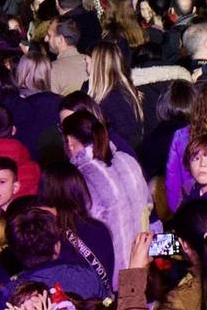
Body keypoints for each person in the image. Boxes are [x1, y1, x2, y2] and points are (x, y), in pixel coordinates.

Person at [61, 109, 150, 273]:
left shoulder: (80, 177)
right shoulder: (127, 160)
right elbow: (148, 207)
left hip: (114, 274)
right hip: (145, 261)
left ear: (70, 142)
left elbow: (87, 238)